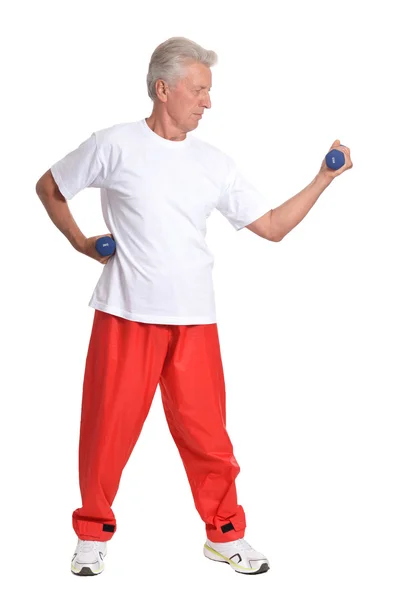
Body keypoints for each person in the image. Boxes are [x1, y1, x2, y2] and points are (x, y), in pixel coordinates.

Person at [35, 36, 352, 577]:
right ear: (164, 89)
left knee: (209, 437)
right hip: (126, 313)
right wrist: (81, 243)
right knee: (106, 431)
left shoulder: (213, 162)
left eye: (209, 91)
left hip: (194, 322)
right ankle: (92, 533)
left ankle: (226, 534)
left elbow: (271, 227)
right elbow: (49, 186)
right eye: (199, 89)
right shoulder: (113, 144)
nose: (208, 102)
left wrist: (323, 178)